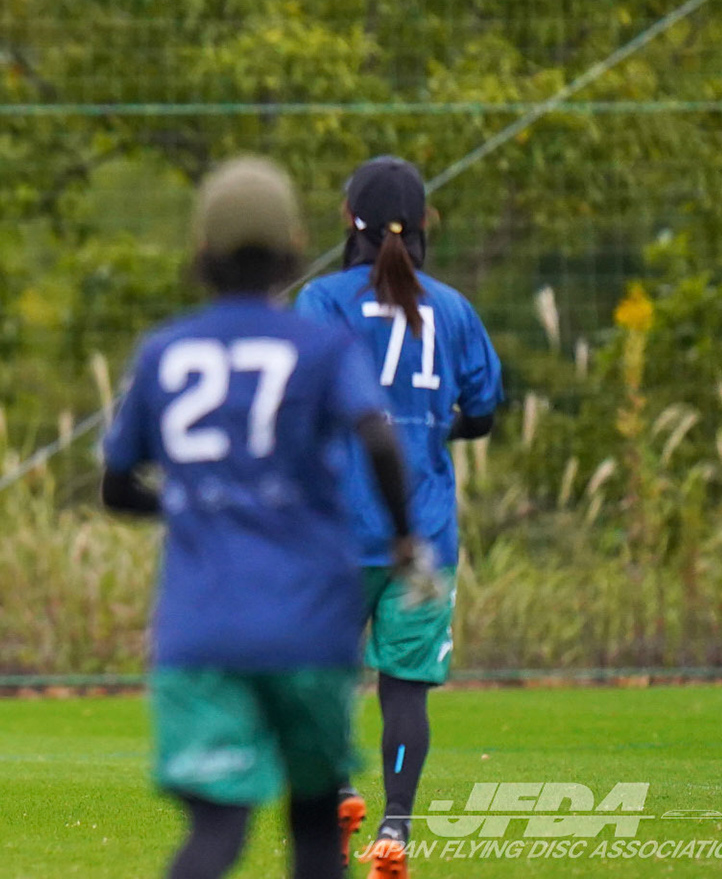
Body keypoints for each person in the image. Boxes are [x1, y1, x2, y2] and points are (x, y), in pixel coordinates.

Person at [101, 157, 433, 879]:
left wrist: (188, 500)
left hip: (203, 629)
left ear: (202, 251)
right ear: (293, 248)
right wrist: (406, 537)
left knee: (216, 830)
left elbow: (117, 486)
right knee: (314, 826)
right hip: (308, 626)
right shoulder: (320, 346)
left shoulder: (165, 351)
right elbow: (379, 437)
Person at [294, 157, 503, 879]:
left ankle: (340, 790)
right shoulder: (453, 309)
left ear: (347, 220)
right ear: (422, 225)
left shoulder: (322, 301)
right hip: (426, 534)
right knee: (405, 688)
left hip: (337, 531)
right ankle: (395, 827)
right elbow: (482, 410)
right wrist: (432, 427)